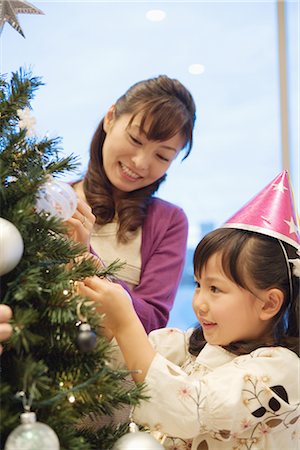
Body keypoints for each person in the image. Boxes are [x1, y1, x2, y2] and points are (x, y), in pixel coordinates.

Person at [78, 170, 300, 450]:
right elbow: (124, 357)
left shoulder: (281, 368)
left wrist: (125, 322)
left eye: (215, 289)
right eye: (198, 285)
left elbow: (189, 411)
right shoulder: (188, 345)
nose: (199, 302)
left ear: (269, 304)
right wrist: (82, 263)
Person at [70, 74, 196, 333]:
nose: (140, 162)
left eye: (162, 156)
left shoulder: (169, 222)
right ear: (110, 118)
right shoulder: (55, 200)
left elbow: (151, 322)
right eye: (136, 139)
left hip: (119, 373)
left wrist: (85, 258)